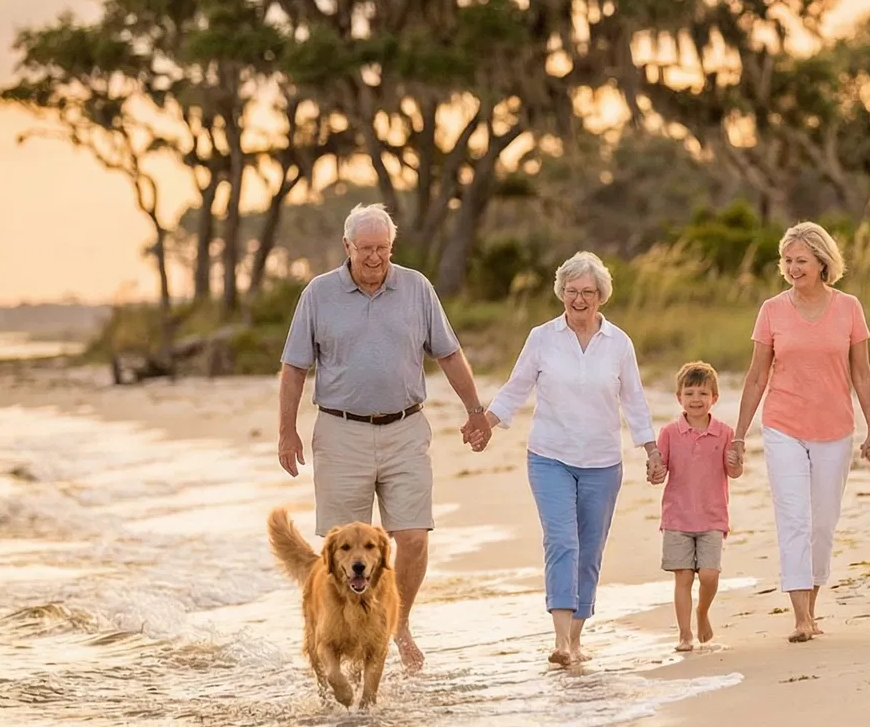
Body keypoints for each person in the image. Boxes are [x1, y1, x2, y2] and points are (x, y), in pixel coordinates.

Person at [277, 202, 490, 673]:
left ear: (392, 246)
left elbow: (449, 355)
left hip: (406, 429)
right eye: (366, 249)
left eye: (383, 248)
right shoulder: (318, 293)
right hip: (340, 432)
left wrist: (476, 411)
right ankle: (338, 634)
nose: (375, 258)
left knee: (412, 537)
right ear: (347, 246)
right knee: (344, 552)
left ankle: (398, 624)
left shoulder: (416, 288)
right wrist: (286, 430)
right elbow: (294, 367)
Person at [477, 252, 660, 667]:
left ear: (601, 296)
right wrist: (486, 422)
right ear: (561, 293)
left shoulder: (619, 343)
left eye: (588, 292)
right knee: (561, 541)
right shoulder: (542, 338)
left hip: (602, 461)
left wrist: (651, 449)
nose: (579, 300)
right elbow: (516, 387)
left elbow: (634, 401)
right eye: (572, 292)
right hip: (549, 457)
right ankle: (560, 642)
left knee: (590, 549)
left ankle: (577, 639)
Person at [730, 222, 870, 643]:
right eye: (788, 261)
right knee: (794, 517)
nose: (793, 268)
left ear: (822, 262)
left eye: (802, 261)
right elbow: (757, 376)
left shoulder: (849, 308)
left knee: (823, 522)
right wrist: (740, 435)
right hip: (784, 426)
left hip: (835, 428)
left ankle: (812, 606)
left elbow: (862, 374)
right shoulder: (772, 310)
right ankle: (799, 616)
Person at [656, 361, 740, 652]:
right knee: (683, 577)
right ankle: (684, 634)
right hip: (677, 517)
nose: (696, 400)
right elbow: (660, 473)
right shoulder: (668, 433)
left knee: (709, 575)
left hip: (713, 516)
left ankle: (702, 611)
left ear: (714, 398)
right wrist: (654, 471)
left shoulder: (725, 433)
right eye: (689, 393)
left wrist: (736, 461)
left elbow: (735, 473)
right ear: (679, 397)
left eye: (703, 394)